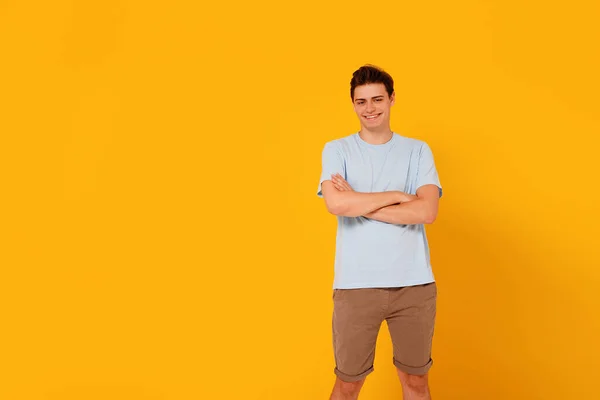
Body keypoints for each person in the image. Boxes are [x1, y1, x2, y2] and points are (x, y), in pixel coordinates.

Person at [316, 64, 443, 400]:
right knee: (348, 384)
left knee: (415, 382)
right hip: (356, 286)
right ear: (353, 104)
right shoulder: (337, 149)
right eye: (361, 102)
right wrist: (399, 197)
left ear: (391, 99)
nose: (369, 108)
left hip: (414, 286)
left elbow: (427, 211)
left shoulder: (417, 150)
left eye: (376, 99)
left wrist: (360, 201)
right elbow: (336, 205)